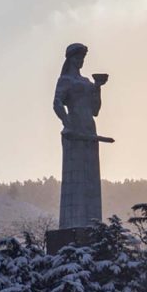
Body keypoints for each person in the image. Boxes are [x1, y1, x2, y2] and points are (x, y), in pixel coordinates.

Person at [53, 43, 108, 229]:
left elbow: (95, 110)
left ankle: (93, 225)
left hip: (89, 131)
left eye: (83, 57)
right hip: (74, 132)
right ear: (70, 59)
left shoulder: (87, 82)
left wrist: (98, 88)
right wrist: (67, 123)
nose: (80, 61)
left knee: (91, 178)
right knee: (75, 178)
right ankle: (73, 225)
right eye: (77, 57)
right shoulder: (65, 80)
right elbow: (57, 103)